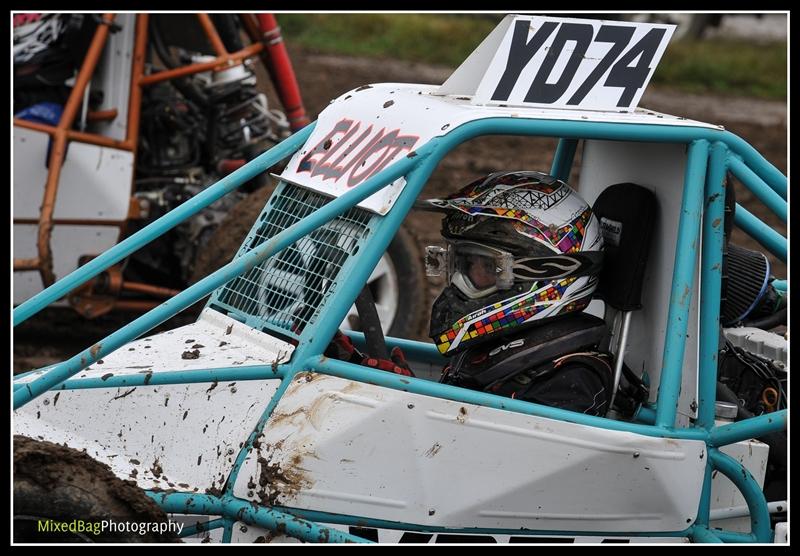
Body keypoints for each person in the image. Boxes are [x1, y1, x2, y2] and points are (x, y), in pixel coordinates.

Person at [328, 171, 617, 416]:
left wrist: (409, 407)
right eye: (459, 263)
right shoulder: (493, 348)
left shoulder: (573, 381)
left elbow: (485, 468)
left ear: (544, 274)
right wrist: (356, 367)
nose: (458, 281)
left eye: (482, 267)